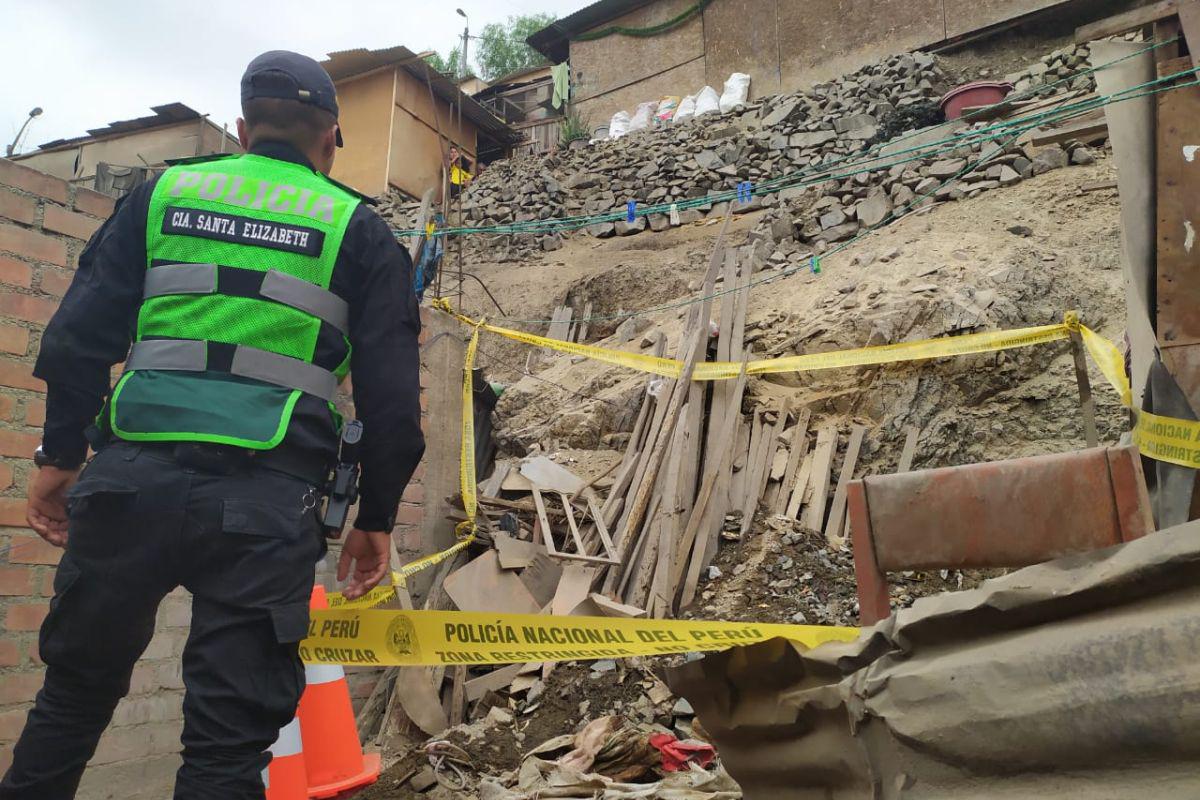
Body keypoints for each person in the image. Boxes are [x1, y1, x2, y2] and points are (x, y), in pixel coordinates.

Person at [1, 50, 424, 800]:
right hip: (267, 508)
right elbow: (393, 406)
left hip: (129, 483)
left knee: (69, 704)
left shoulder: (159, 197)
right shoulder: (357, 230)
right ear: (330, 138)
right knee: (226, 752)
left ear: (241, 128)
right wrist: (376, 516)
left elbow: (74, 339)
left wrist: (60, 455)